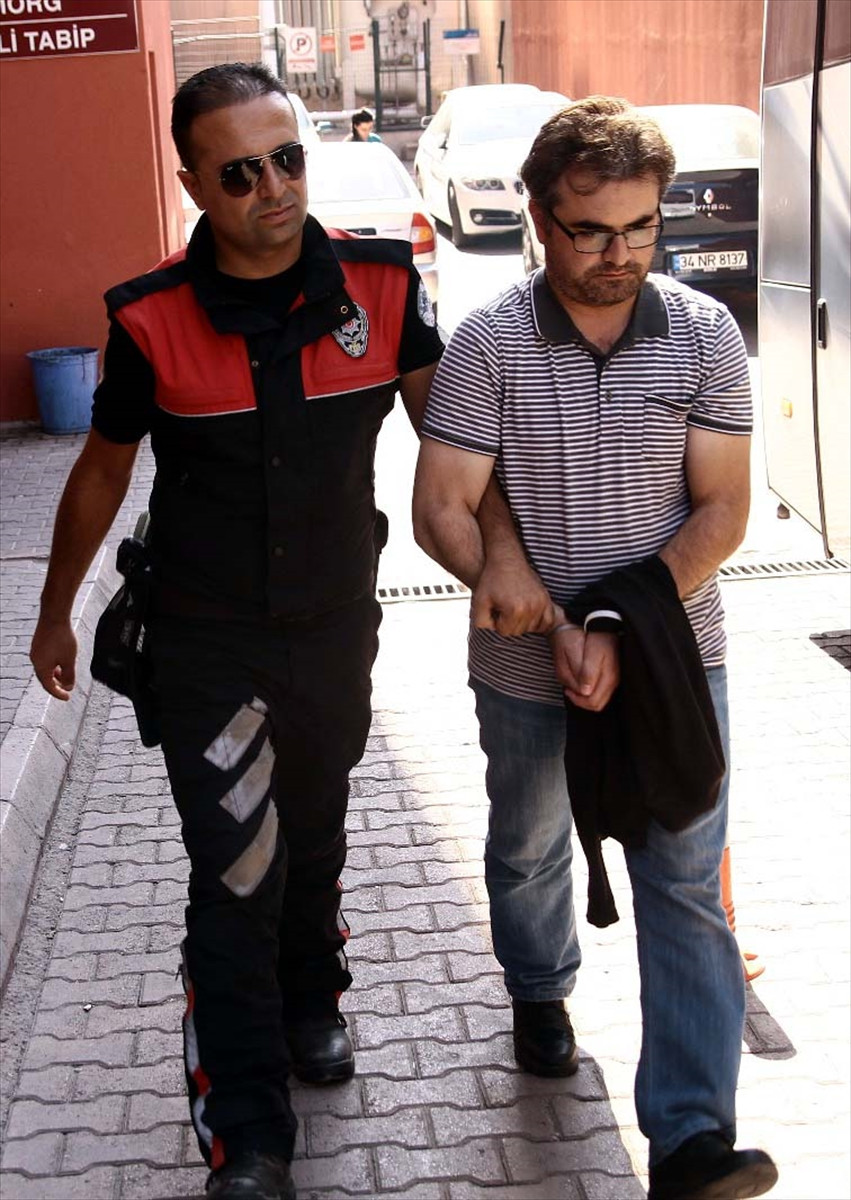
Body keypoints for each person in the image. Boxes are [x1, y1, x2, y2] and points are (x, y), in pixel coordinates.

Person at [30, 62, 443, 1200]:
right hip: (206, 640)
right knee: (237, 867)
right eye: (241, 173)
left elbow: (452, 443)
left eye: (287, 158)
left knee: (312, 831)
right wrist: (55, 610)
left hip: (335, 629)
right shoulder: (148, 318)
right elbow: (102, 470)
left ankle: (313, 997)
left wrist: (513, 561)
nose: (274, 188)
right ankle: (250, 1138)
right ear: (194, 186)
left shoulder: (384, 288)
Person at [412, 96, 778, 1200]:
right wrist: (519, 593)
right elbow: (441, 506)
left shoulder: (704, 333)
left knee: (684, 883)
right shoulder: (487, 343)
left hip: (674, 663)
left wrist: (616, 622)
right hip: (524, 669)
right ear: (537, 218)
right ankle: (537, 987)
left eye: (639, 227)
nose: (617, 254)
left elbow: (722, 512)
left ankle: (691, 1140)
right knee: (530, 848)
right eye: (588, 231)